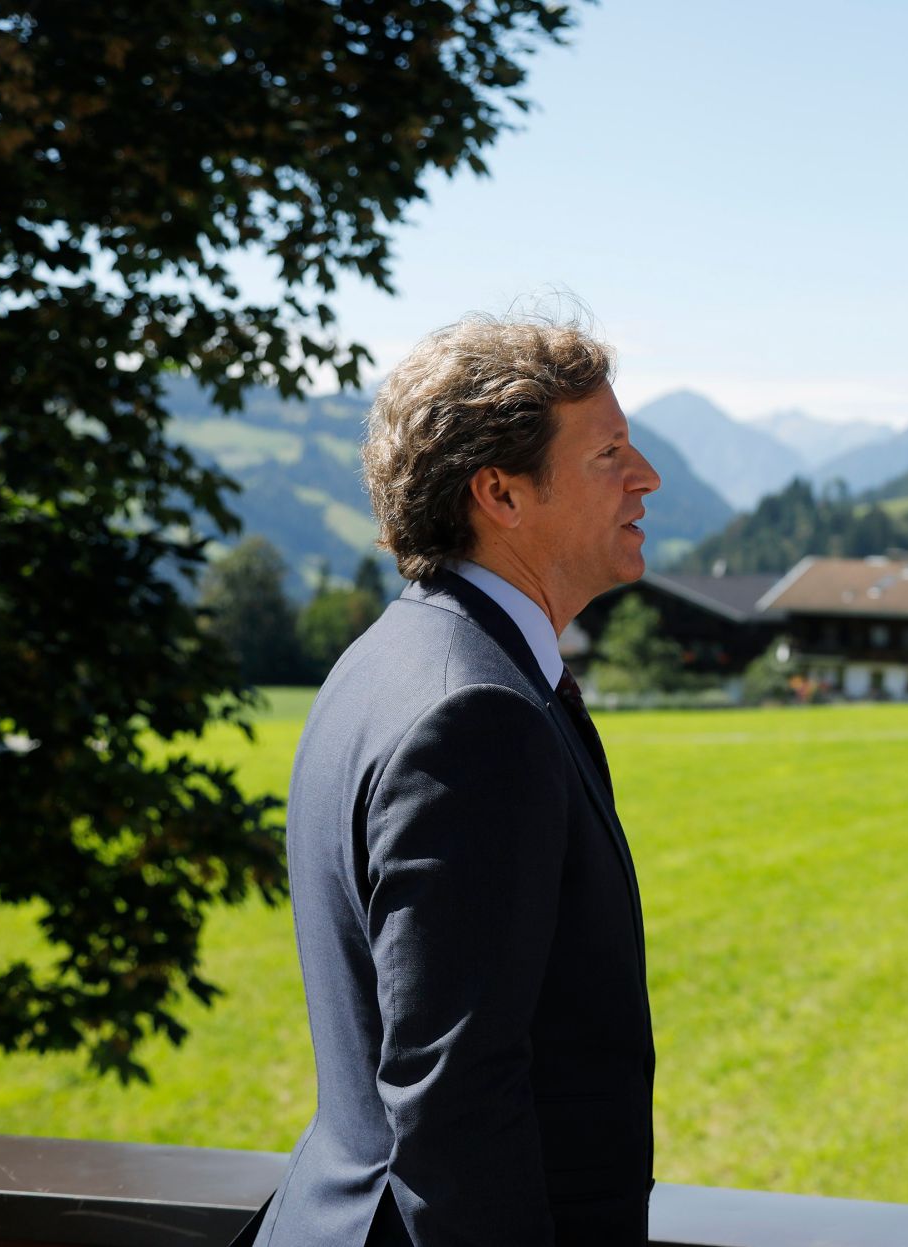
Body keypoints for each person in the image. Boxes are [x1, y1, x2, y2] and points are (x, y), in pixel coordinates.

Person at [254, 313, 662, 1246]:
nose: (646, 478)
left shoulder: (388, 657)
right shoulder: (475, 714)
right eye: (610, 454)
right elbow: (456, 1104)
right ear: (501, 494)